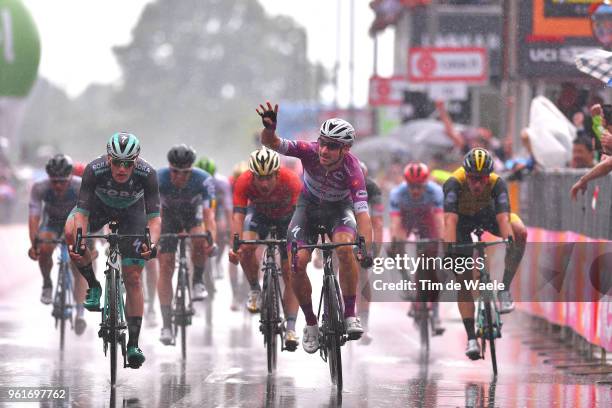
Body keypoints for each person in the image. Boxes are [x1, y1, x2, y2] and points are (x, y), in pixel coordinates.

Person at [257, 101, 373, 354]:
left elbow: (363, 214)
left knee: (345, 249)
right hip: (307, 209)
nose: (324, 150)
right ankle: (310, 322)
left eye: (332, 146)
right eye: (322, 142)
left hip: (338, 211)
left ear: (346, 149)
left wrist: (366, 246)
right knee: (296, 262)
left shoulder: (353, 169)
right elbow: (272, 143)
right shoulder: (308, 151)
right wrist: (269, 128)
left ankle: (350, 313)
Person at [65, 132, 161, 368]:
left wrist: (153, 243)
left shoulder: (147, 174)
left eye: (128, 163)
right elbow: (83, 214)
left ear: (136, 161)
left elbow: (155, 219)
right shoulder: (94, 170)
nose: (122, 168)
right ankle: (93, 285)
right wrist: (80, 241)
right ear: (109, 159)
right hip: (98, 208)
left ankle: (133, 344)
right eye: (117, 162)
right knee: (71, 235)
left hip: (133, 214)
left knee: (134, 278)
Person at [443, 148, 527, 360]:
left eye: (482, 179)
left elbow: (503, 218)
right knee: (463, 278)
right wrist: (450, 249)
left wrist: (509, 241)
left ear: (489, 176)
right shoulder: (454, 182)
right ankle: (471, 337)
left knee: (520, 232)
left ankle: (504, 289)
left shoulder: (498, 183)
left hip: (488, 216)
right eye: (472, 179)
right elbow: (450, 221)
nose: (477, 184)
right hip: (461, 221)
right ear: (466, 175)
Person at [228, 147, 302, 350]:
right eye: (259, 178)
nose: (264, 183)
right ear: (252, 175)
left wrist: (297, 246)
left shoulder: (291, 180)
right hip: (258, 216)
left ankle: (291, 327)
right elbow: (237, 217)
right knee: (245, 247)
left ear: (277, 173)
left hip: (287, 218)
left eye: (269, 177)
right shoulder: (243, 181)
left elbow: (300, 218)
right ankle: (254, 289)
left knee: (290, 272)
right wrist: (235, 246)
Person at [156, 145, 216, 345]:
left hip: (192, 216)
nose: (180, 177)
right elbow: (155, 215)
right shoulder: (158, 179)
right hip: (167, 217)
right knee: (165, 265)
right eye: (175, 172)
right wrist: (154, 241)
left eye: (185, 173)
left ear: (191, 170)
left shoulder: (203, 179)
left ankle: (198, 280)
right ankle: (166, 324)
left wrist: (211, 240)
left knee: (200, 238)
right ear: (169, 168)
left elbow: (209, 215)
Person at [27, 154, 88, 334]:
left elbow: (89, 215)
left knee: (79, 264)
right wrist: (34, 245)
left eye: (63, 181)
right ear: (48, 178)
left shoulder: (80, 187)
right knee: (44, 247)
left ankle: (80, 313)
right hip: (51, 221)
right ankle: (47, 283)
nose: (59, 186)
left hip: (75, 221)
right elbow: (34, 217)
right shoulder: (39, 187)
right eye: (55, 182)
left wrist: (87, 241)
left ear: (70, 177)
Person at [389, 162, 445, 335]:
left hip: (427, 219)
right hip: (407, 218)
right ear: (406, 183)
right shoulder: (397, 193)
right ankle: (406, 279)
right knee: (395, 246)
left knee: (432, 262)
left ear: (425, 183)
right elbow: (396, 224)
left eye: (419, 187)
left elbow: (439, 221)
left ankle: (435, 314)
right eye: (412, 187)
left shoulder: (435, 192)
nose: (415, 191)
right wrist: (397, 242)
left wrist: (442, 241)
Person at [356, 161, 384, 345]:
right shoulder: (337, 183)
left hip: (361, 224)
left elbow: (377, 223)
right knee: (334, 261)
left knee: (363, 274)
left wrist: (374, 252)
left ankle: (364, 325)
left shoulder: (372, 188)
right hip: (342, 221)